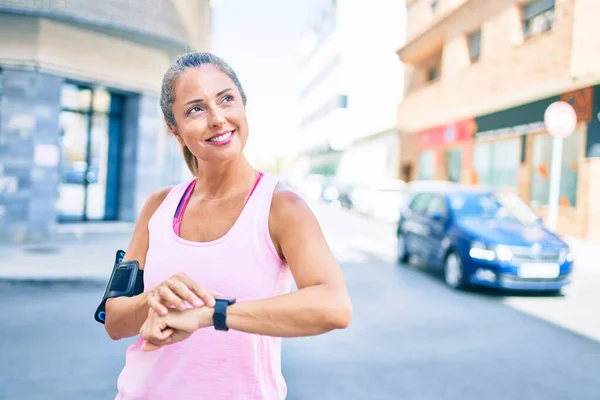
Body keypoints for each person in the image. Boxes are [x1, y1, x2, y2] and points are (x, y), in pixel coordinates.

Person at [103, 52, 352, 400]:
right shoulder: (158, 206)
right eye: (195, 109)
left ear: (243, 107)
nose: (218, 119)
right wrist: (153, 299)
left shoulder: (281, 207)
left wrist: (212, 315)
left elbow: (334, 306)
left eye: (226, 100)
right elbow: (114, 322)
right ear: (174, 129)